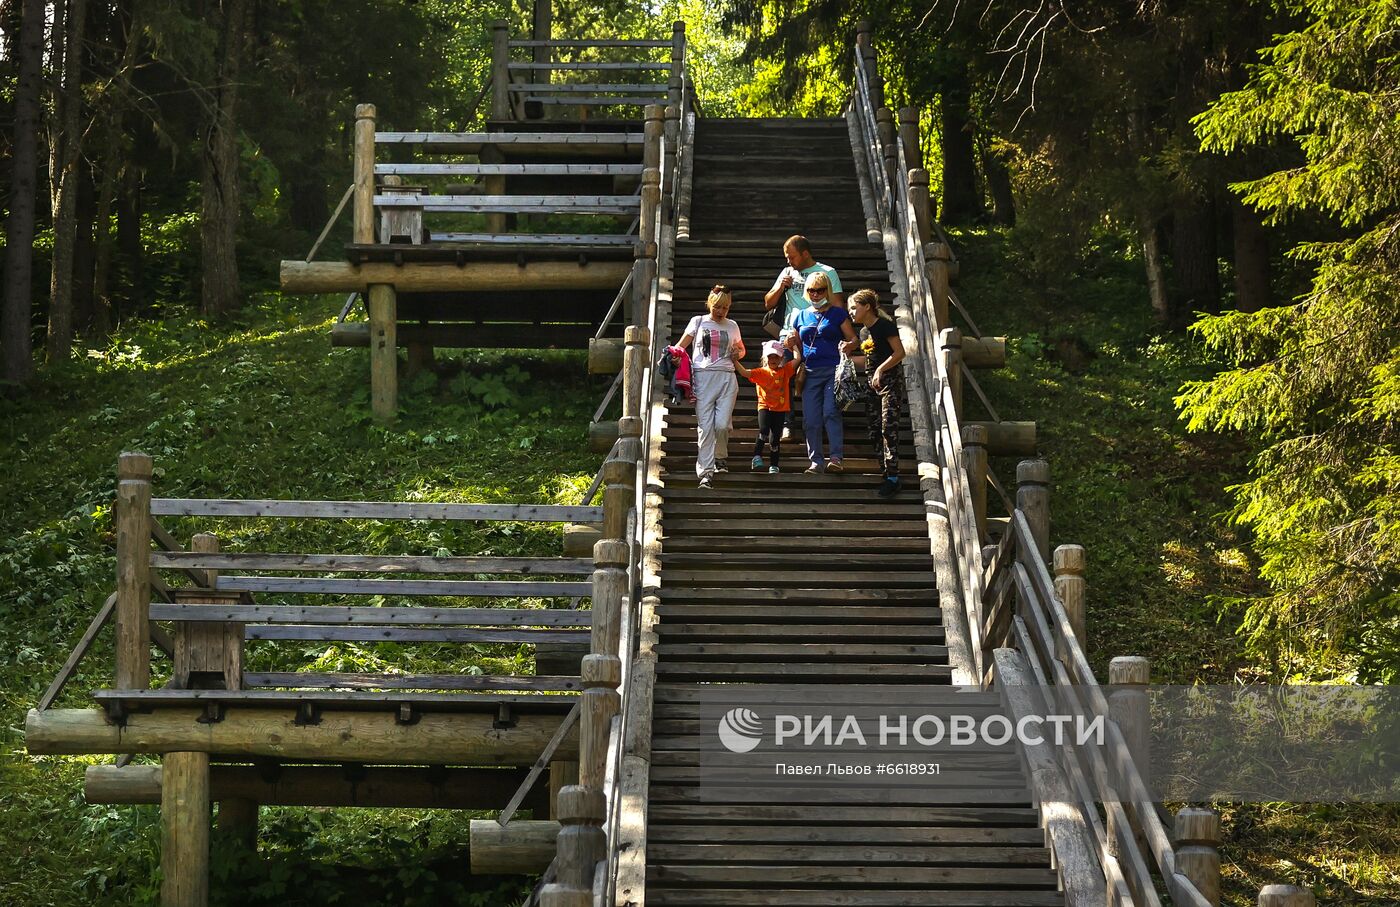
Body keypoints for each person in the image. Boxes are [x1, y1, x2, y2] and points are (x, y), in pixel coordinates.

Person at [785, 271, 857, 473]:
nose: (815, 294)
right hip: (809, 371)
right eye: (811, 290)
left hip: (833, 370)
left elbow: (854, 339)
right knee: (810, 419)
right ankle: (816, 460)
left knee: (830, 412)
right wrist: (791, 343)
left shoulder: (837, 313)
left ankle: (836, 458)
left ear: (827, 289)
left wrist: (848, 346)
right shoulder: (800, 314)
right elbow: (798, 343)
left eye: (820, 290)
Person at [678, 284, 744, 489]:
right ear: (709, 304)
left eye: (725, 308)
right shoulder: (697, 322)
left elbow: (741, 350)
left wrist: (737, 354)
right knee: (706, 427)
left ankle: (720, 456)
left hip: (727, 378)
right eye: (717, 307)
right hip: (702, 377)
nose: (720, 312)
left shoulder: (732, 325)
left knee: (722, 425)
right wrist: (673, 360)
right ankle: (706, 474)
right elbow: (681, 347)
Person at [842, 289, 907, 497]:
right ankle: (885, 472)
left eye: (854, 307)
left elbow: (900, 352)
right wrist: (845, 358)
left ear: (867, 306)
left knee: (889, 427)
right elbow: (868, 360)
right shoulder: (863, 332)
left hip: (890, 383)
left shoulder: (884, 326)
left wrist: (880, 370)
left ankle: (893, 477)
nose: (851, 313)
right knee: (874, 429)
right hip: (872, 385)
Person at [734, 339, 797, 473]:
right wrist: (734, 360)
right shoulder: (761, 372)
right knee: (763, 430)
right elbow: (745, 373)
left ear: (781, 358)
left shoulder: (785, 371)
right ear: (765, 358)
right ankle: (757, 456)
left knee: (775, 437)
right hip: (765, 407)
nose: (773, 359)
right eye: (770, 356)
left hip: (780, 409)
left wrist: (794, 346)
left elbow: (798, 359)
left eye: (776, 357)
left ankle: (774, 464)